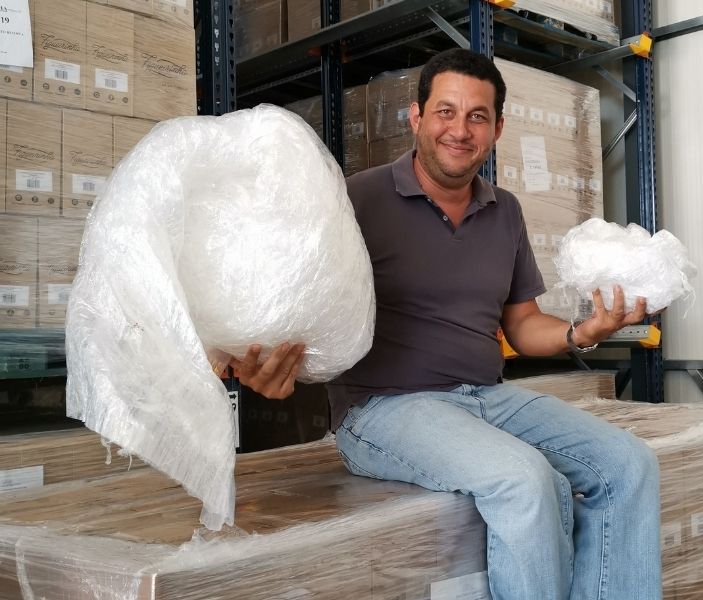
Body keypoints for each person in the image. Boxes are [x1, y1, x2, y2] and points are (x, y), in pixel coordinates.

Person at [232, 48, 662, 600]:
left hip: (487, 396)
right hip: (385, 408)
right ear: (416, 116)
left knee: (629, 464)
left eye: (477, 116)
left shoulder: (504, 209)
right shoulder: (353, 199)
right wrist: (268, 363)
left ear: (497, 128)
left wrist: (582, 332)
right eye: (445, 112)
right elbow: (292, 303)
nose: (459, 130)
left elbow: (523, 323)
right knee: (526, 481)